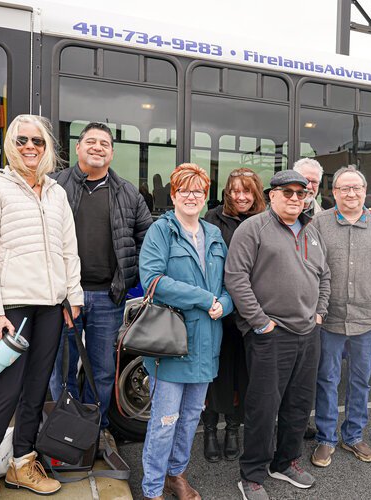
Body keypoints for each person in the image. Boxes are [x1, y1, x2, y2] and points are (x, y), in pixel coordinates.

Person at [0, 122, 153, 446]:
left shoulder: (127, 192)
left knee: (103, 372)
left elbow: (147, 236)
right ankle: (62, 431)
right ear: (77, 148)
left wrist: (132, 275)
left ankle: (95, 430)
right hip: (60, 299)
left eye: (104, 143)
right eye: (89, 141)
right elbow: (10, 208)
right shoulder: (53, 185)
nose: (97, 147)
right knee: (56, 373)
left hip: (108, 297)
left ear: (112, 151)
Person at [0, 115, 83, 500]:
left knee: (35, 391)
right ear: (9, 145)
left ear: (47, 147)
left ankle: (22, 463)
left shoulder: (56, 193)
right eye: (21, 141)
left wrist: (72, 296)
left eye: (37, 140)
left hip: (50, 306)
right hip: (11, 309)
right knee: (6, 391)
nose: (30, 147)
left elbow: (69, 249)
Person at [225, 170, 331, 500]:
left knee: (299, 404)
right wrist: (260, 322)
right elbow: (236, 278)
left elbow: (324, 275)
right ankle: (252, 474)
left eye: (302, 194)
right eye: (288, 193)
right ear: (272, 196)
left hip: (307, 332)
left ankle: (285, 462)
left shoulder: (312, 231)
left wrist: (320, 312)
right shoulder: (253, 229)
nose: (296, 199)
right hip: (270, 334)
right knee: (263, 406)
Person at [139, 163, 234, 500]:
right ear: (174, 195)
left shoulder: (214, 235)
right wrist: (205, 298)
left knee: (191, 418)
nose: (191, 196)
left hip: (207, 341)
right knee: (164, 422)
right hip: (172, 342)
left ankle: (175, 475)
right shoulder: (161, 231)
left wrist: (225, 303)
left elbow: (229, 285)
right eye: (184, 190)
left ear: (205, 195)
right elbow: (152, 281)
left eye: (198, 190)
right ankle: (152, 489)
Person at [310, 166, 371, 467]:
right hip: (329, 319)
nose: (351, 193)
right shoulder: (318, 224)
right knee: (327, 379)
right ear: (333, 192)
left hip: (367, 319)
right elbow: (308, 270)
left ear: (364, 191)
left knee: (361, 380)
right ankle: (325, 438)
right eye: (344, 188)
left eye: (356, 188)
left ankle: (353, 435)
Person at [202, 168, 266, 463]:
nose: (240, 197)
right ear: (227, 192)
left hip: (252, 311)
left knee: (246, 375)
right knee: (216, 374)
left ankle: (233, 430)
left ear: (256, 193)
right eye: (235, 191)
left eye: (247, 191)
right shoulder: (212, 220)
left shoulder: (266, 221)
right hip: (219, 311)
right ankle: (211, 430)